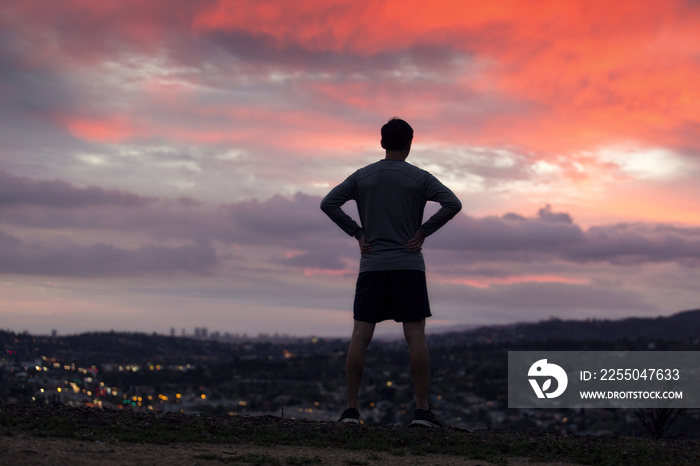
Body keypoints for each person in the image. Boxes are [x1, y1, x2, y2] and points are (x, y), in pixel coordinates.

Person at [320, 118, 462, 427]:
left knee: (360, 336)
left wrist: (357, 233)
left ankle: (351, 410)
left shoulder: (363, 177)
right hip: (408, 266)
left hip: (373, 266)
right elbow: (452, 203)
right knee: (415, 337)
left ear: (382, 143)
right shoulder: (419, 178)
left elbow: (329, 203)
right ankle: (422, 411)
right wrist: (424, 231)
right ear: (410, 144)